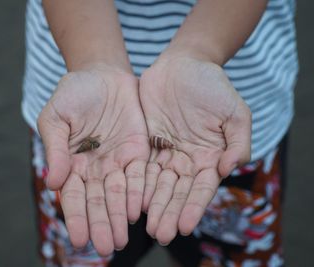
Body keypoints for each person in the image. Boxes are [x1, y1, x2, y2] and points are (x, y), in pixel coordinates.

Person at [22, 0, 298, 266]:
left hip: (213, 134)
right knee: (85, 238)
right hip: (80, 123)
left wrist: (201, 52)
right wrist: (93, 61)